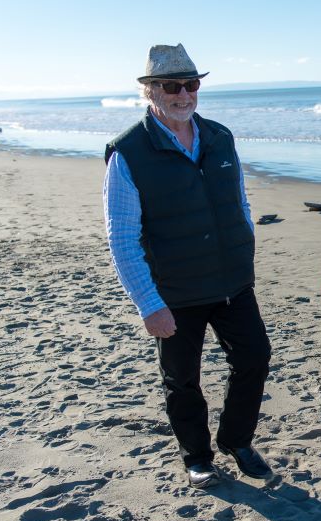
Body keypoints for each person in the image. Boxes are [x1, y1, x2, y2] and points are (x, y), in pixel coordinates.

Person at [103, 44, 273, 489]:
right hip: (174, 292)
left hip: (233, 281)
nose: (183, 94)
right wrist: (148, 304)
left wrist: (245, 241)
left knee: (255, 359)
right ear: (149, 92)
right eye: (171, 86)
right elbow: (121, 238)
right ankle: (197, 457)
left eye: (191, 84)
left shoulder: (220, 136)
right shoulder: (127, 153)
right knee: (182, 380)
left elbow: (238, 198)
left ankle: (237, 441)